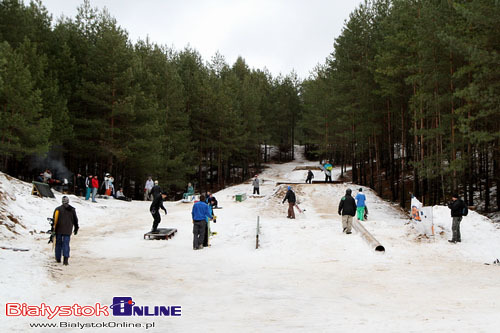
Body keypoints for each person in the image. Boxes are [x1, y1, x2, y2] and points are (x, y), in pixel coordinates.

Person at [52, 196, 79, 265]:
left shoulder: (58, 209)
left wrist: (53, 229)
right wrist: (76, 228)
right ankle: (65, 260)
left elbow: (54, 220)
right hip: (68, 229)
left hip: (59, 229)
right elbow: (75, 220)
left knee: (58, 244)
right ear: (68, 201)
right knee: (66, 244)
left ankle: (58, 258)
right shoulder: (72, 210)